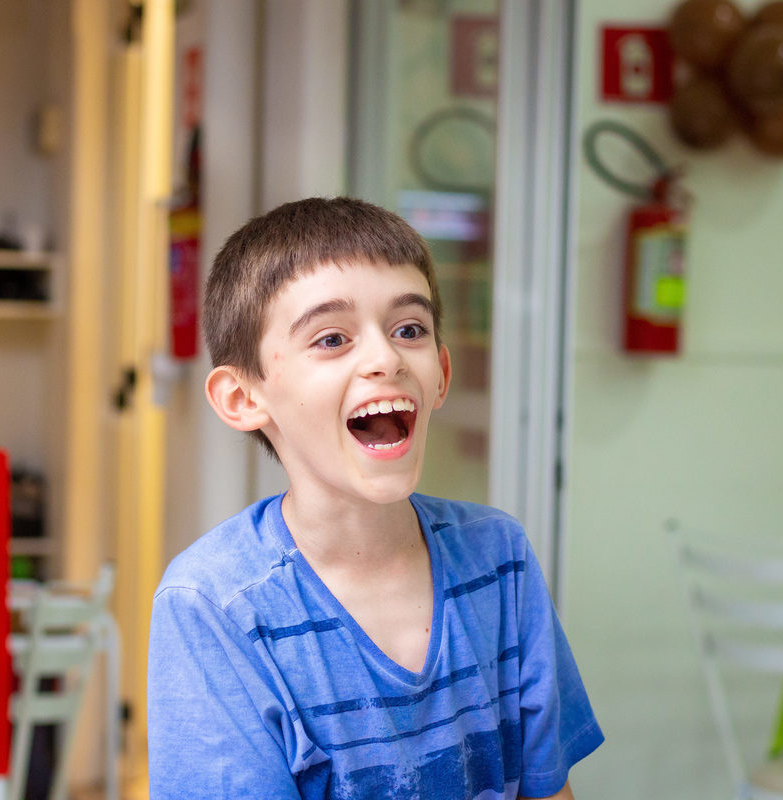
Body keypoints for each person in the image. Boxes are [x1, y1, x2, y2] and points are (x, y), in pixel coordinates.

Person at [147, 197, 602, 799]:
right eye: (332, 338)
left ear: (441, 373)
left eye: (409, 330)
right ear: (243, 398)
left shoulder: (499, 557)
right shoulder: (213, 604)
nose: (386, 358)